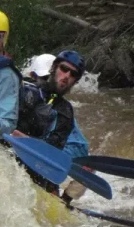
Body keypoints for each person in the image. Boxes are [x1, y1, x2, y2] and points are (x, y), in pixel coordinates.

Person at [13, 50, 90, 197]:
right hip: (6, 154)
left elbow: (52, 151)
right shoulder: (24, 89)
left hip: (34, 170)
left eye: (73, 74)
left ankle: (62, 199)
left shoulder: (66, 112)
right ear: (54, 67)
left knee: (84, 168)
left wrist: (27, 141)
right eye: (64, 69)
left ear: (75, 81)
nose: (67, 76)